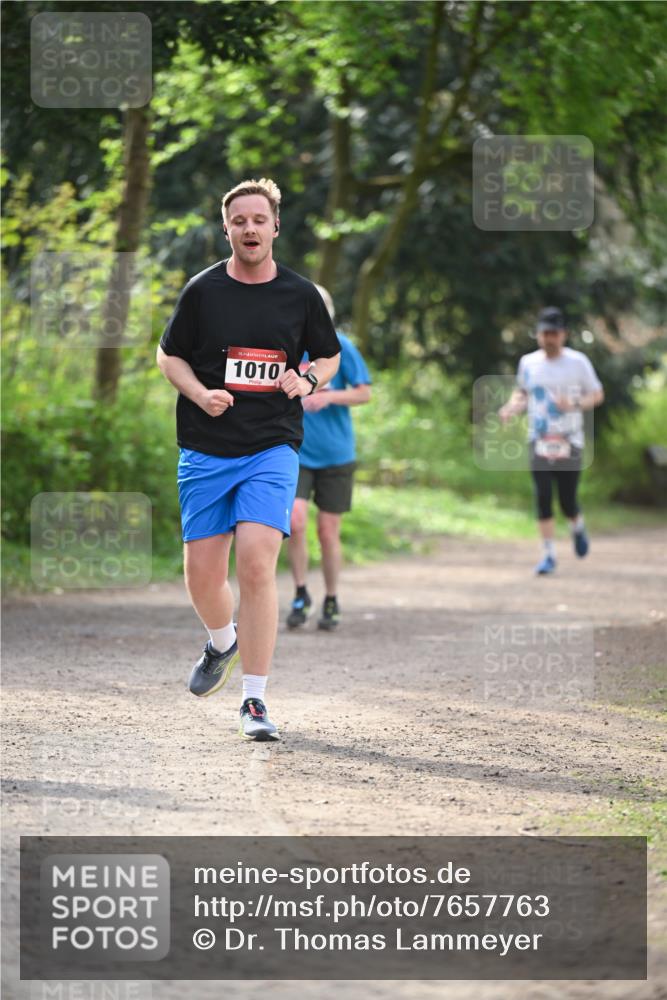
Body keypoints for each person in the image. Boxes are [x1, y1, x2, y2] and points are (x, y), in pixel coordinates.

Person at [157, 178, 340, 740]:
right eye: (239, 221)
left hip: (272, 444)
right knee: (202, 574)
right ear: (227, 228)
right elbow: (169, 357)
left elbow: (328, 356)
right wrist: (199, 393)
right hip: (207, 448)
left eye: (259, 219)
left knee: (258, 562)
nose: (250, 229)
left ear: (275, 227)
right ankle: (221, 642)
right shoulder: (203, 291)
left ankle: (255, 701)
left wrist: (306, 376)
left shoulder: (300, 294)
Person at [286, 285, 372, 630]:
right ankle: (300, 592)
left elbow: (364, 393)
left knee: (327, 531)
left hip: (336, 454)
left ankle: (332, 598)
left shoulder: (342, 347)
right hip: (296, 450)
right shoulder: (289, 346)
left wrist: (329, 397)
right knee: (294, 522)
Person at [499, 306, 604, 575]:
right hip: (539, 438)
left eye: (554, 334)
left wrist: (574, 403)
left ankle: (577, 525)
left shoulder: (578, 362)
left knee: (567, 500)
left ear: (564, 335)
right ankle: (548, 554)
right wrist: (511, 407)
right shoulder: (528, 362)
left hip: (570, 439)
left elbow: (597, 394)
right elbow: (522, 392)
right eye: (545, 333)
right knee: (543, 496)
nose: (549, 339)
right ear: (538, 335)